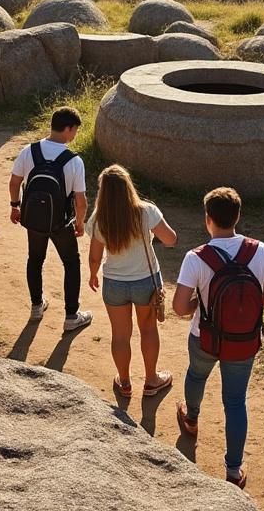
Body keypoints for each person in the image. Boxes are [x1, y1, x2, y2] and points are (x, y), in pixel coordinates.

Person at [172, 187, 264, 489]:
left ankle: (191, 418)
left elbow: (180, 307)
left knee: (197, 374)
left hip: (204, 337)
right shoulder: (259, 250)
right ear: (238, 217)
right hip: (243, 341)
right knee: (235, 402)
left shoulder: (195, 258)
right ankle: (233, 470)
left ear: (207, 219)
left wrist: (199, 303)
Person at [86, 164, 178, 398]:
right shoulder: (146, 211)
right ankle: (151, 380)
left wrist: (93, 274)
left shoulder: (99, 218)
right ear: (129, 186)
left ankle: (125, 383)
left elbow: (95, 255)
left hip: (114, 283)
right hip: (146, 281)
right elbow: (170, 240)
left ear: (103, 191)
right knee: (148, 330)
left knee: (120, 334)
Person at [9, 106, 93, 333]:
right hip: (60, 221)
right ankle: (71, 316)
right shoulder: (74, 161)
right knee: (71, 263)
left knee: (35, 259)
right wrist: (79, 223)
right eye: (74, 130)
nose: (74, 135)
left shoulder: (29, 150)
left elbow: (15, 182)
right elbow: (81, 201)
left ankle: (36, 306)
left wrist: (15, 207)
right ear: (67, 129)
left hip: (34, 218)